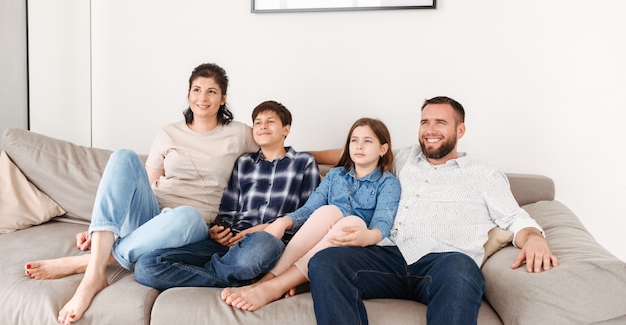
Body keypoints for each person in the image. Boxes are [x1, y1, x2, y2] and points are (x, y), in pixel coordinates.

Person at [24, 63, 259, 325]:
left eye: (212, 92)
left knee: (185, 215)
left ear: (223, 98)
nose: (202, 98)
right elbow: (141, 184)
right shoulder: (169, 132)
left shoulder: (238, 134)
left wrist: (314, 157)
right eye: (196, 90)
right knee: (123, 155)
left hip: (192, 225)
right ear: (189, 93)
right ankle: (96, 270)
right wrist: (102, 227)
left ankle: (89, 264)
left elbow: (277, 148)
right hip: (150, 217)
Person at [307, 96, 559, 325]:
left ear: (460, 130)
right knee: (326, 262)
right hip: (388, 256)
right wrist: (301, 155)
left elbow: (514, 217)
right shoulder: (404, 158)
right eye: (424, 122)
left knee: (461, 269)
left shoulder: (484, 175)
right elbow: (358, 153)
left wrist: (534, 238)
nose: (430, 130)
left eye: (440, 122)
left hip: (443, 263)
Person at [133, 100, 321, 290]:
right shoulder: (244, 162)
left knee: (262, 245)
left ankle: (217, 271)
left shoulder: (304, 162)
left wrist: (263, 229)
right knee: (147, 266)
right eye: (257, 122)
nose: (262, 126)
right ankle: (239, 278)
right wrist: (218, 230)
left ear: (285, 130)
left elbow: (309, 214)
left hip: (268, 241)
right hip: (230, 243)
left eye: (270, 121)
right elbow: (228, 210)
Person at [221, 117, 402, 312]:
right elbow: (309, 210)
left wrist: (367, 236)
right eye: (354, 140)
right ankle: (266, 281)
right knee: (328, 210)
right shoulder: (335, 175)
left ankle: (275, 287)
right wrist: (283, 222)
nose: (359, 146)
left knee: (351, 220)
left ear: (383, 149)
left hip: (356, 246)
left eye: (368, 141)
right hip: (322, 244)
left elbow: (382, 224)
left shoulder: (388, 182)